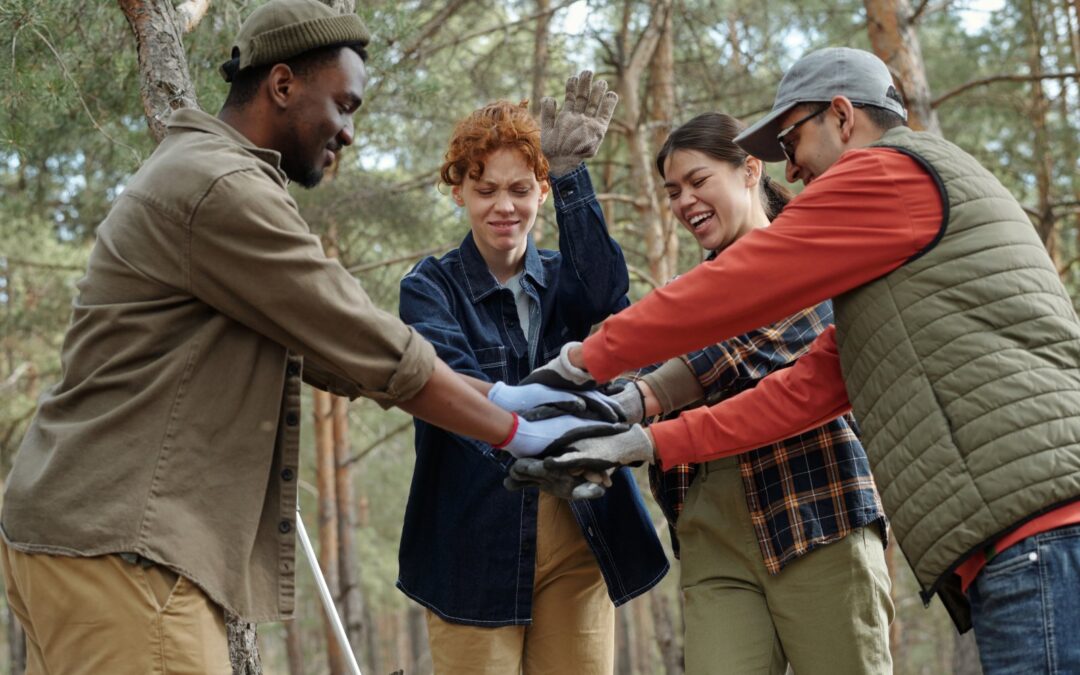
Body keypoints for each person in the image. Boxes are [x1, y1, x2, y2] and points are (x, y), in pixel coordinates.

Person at [0, 2, 617, 671]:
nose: (350, 132)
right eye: (344, 105)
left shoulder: (208, 171)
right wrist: (519, 431)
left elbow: (339, 360)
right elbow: (370, 344)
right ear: (284, 85)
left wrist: (509, 400)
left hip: (88, 544)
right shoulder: (222, 185)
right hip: (125, 552)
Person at [533, 47, 1080, 673]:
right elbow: (805, 389)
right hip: (1020, 537)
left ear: (842, 118)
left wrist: (586, 367)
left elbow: (736, 299)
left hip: (1027, 530)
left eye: (790, 142)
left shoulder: (885, 176)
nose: (789, 171)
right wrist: (643, 444)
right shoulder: (883, 256)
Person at [396, 78, 668, 675]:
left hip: (581, 533)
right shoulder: (428, 289)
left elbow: (608, 294)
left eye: (522, 188)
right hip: (471, 544)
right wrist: (538, 434)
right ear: (459, 192)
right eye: (485, 188)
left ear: (542, 192)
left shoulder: (568, 276)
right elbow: (449, 392)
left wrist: (573, 177)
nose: (504, 206)